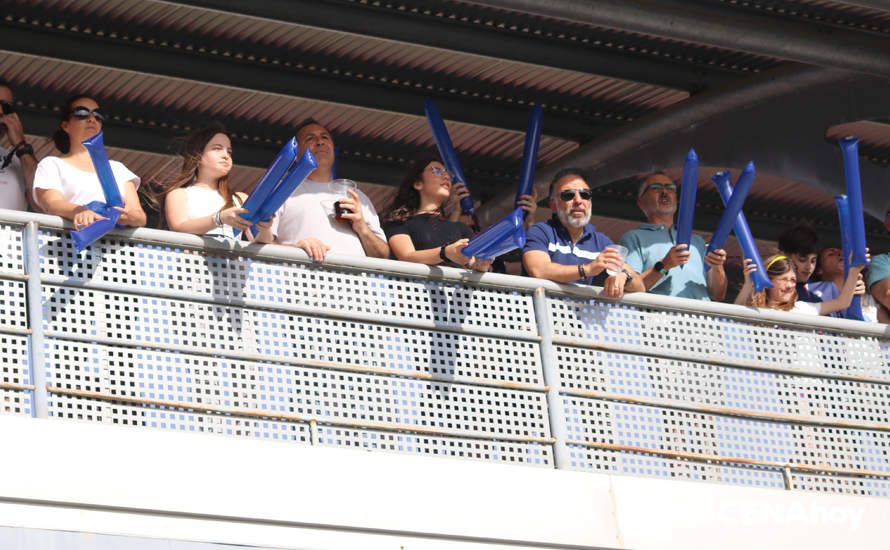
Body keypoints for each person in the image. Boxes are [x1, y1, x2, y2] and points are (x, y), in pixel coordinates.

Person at [272, 119, 388, 261]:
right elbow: (262, 243)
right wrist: (297, 249)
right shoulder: (283, 189)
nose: (320, 142)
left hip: (357, 281)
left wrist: (361, 227)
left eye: (325, 137)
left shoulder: (357, 196)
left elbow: (382, 255)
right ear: (296, 155)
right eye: (310, 138)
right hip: (302, 279)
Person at [522, 168, 643, 298]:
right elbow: (539, 270)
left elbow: (640, 287)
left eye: (585, 194)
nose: (578, 201)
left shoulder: (602, 242)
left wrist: (625, 277)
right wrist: (588, 269)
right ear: (553, 205)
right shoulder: (540, 232)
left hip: (586, 317)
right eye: (568, 195)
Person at [33, 93, 145, 229]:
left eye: (97, 115)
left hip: (117, 247)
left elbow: (139, 216)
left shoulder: (117, 168)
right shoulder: (52, 164)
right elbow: (51, 203)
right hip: (69, 244)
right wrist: (80, 212)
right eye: (82, 113)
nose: (92, 119)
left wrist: (127, 217)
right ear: (65, 125)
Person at [619, 171, 727, 301]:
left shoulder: (697, 241)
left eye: (670, 188)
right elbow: (631, 286)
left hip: (703, 318)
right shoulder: (633, 238)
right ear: (641, 202)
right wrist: (664, 265)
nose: (665, 192)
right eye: (656, 188)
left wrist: (717, 266)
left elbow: (718, 295)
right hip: (660, 318)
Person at [160, 124, 272, 242]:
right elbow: (179, 227)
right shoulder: (179, 194)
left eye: (229, 152)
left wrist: (265, 228)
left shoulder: (241, 198)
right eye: (217, 148)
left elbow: (263, 242)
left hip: (232, 260)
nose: (226, 156)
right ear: (197, 156)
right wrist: (219, 218)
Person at [735, 254, 864, 315]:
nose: (790, 285)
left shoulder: (801, 308)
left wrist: (854, 271)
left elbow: (842, 302)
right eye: (784, 279)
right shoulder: (754, 310)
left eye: (792, 280)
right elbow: (735, 313)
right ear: (769, 280)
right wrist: (748, 284)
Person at [0, 79, 37, 211]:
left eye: (6, 107)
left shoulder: (19, 162)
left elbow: (41, 202)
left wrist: (21, 145)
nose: (1, 112)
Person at [809, 246, 875, 321]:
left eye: (842, 252)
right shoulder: (810, 292)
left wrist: (858, 301)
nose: (840, 254)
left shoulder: (868, 300)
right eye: (831, 254)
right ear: (819, 270)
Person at [776, 224, 821, 303]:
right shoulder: (766, 290)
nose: (809, 267)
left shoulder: (815, 301)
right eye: (802, 259)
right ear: (784, 255)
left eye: (813, 261)